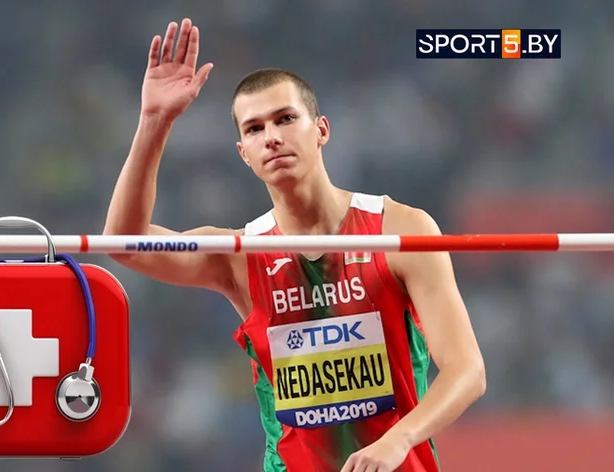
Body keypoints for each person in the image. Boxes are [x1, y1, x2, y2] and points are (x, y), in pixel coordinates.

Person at [103, 18, 486, 472]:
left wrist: (398, 439)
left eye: (285, 119)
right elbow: (125, 244)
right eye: (254, 129)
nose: (272, 137)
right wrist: (155, 120)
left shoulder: (400, 229)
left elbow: (467, 372)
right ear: (244, 154)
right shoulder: (240, 255)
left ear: (321, 130)